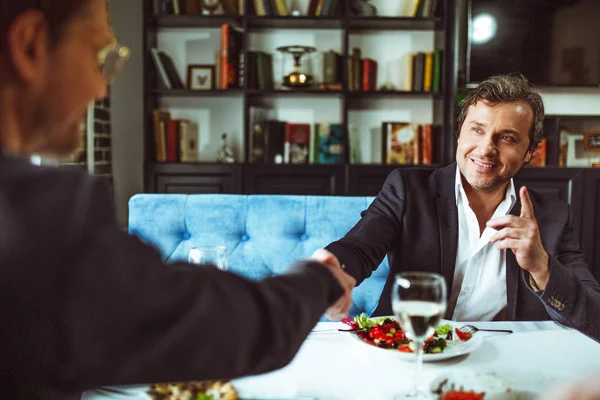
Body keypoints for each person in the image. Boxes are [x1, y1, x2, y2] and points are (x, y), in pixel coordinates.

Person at [0, 0, 356, 398]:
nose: (101, 86)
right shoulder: (40, 218)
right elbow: (223, 326)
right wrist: (318, 278)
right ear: (30, 45)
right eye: (98, 55)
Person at [314, 73, 600, 340]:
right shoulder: (407, 188)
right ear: (459, 134)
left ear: (529, 152)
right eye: (477, 130)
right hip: (410, 348)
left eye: (507, 138)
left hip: (503, 358)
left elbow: (594, 316)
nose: (487, 148)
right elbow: (361, 246)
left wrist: (542, 267)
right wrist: (335, 270)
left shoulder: (554, 216)